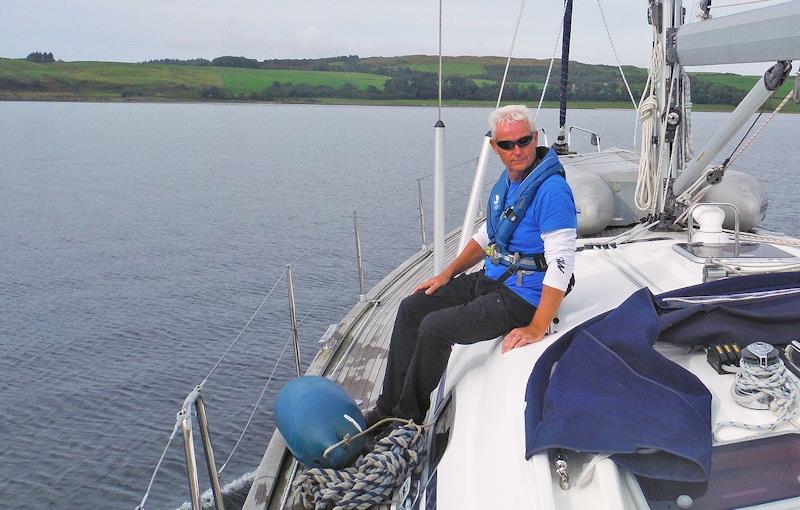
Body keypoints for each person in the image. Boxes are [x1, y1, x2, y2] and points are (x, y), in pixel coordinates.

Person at [365, 104, 577, 427]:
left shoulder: (552, 191)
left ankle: (405, 420)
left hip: (522, 298)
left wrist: (536, 326)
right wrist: (447, 274)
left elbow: (562, 263)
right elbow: (484, 236)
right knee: (412, 308)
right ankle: (386, 407)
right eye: (507, 145)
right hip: (491, 281)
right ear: (495, 147)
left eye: (523, 141)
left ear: (535, 139)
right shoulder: (507, 185)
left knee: (435, 328)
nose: (517, 151)